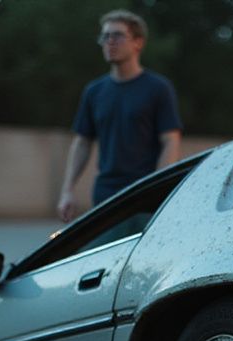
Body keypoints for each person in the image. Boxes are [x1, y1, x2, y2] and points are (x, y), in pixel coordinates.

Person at [57, 10, 182, 222]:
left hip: (144, 192)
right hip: (105, 194)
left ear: (138, 42)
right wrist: (67, 190)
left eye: (117, 35)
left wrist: (158, 186)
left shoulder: (158, 88)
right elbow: (82, 142)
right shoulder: (94, 91)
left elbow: (170, 141)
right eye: (105, 36)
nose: (110, 42)